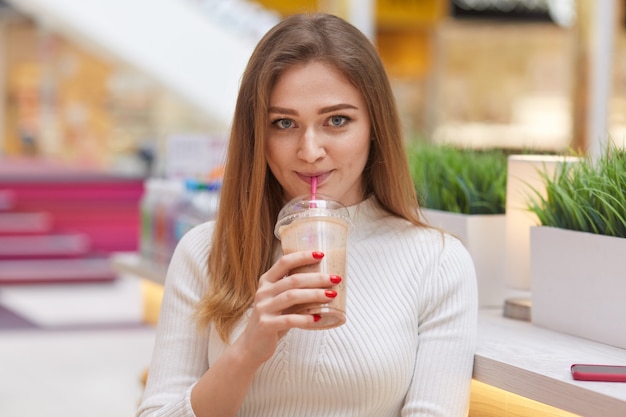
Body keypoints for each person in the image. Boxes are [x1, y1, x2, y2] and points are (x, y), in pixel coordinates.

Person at [137, 12, 477, 417]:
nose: (310, 151)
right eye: (284, 123)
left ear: (375, 127)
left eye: (337, 120)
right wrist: (246, 351)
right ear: (257, 136)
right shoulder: (206, 251)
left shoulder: (437, 261)